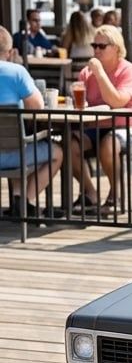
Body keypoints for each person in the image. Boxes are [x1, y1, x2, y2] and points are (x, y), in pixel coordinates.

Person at [68, 24, 132, 216]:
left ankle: (116, 195)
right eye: (94, 46)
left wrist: (100, 73)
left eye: (102, 46)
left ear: (116, 48)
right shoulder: (87, 72)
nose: (97, 50)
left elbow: (117, 102)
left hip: (124, 126)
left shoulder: (129, 71)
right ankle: (90, 193)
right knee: (69, 145)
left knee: (108, 145)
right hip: (94, 126)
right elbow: (81, 102)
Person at [0, 25, 63, 219]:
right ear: (10, 52)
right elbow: (37, 106)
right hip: (13, 153)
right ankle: (24, 202)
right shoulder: (16, 72)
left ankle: (19, 201)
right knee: (57, 152)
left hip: (11, 149)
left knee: (20, 144)